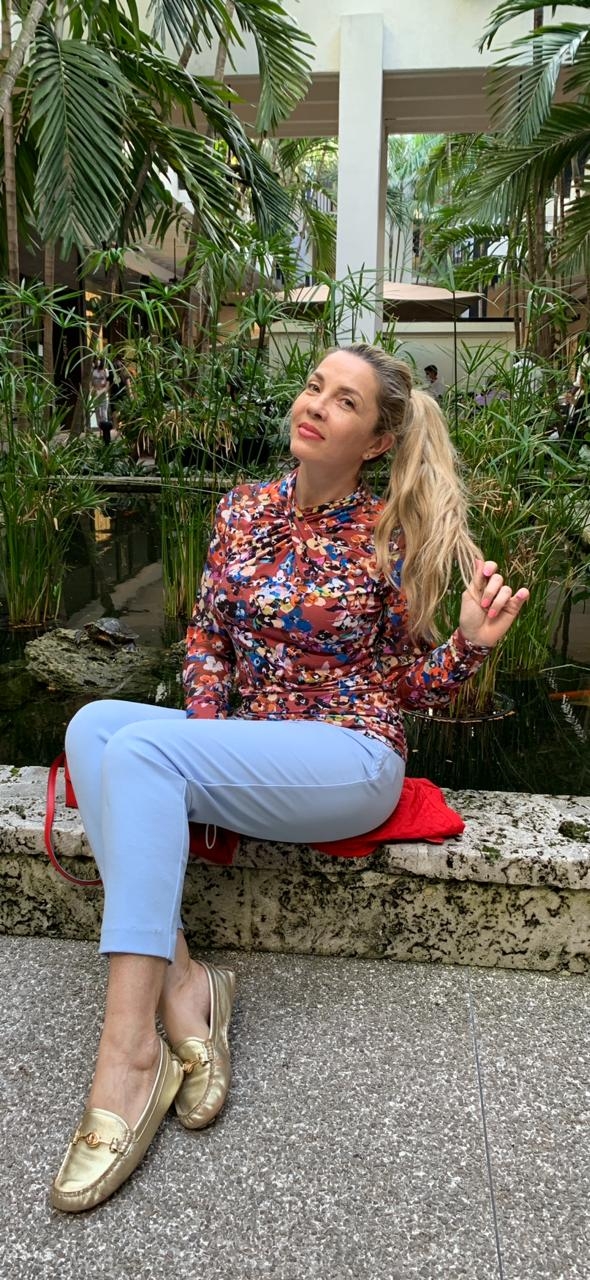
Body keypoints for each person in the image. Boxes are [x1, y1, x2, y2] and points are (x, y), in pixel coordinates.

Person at [52, 346, 529, 1213]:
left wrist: (468, 646)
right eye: (314, 386)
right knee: (94, 729)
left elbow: (405, 685)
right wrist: (207, 736)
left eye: (343, 401)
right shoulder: (241, 510)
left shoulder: (390, 535)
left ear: (375, 441)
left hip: (349, 756)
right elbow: (207, 639)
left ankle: (129, 1058)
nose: (315, 405)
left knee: (142, 755)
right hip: (251, 744)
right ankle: (186, 985)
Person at [90, 356, 110, 444]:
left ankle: (106, 435)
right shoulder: (93, 371)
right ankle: (100, 433)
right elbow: (91, 383)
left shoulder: (105, 371)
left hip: (103, 395)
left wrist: (101, 391)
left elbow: (108, 384)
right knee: (97, 414)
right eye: (96, 359)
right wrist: (92, 391)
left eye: (99, 360)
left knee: (104, 415)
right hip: (95, 395)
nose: (97, 361)